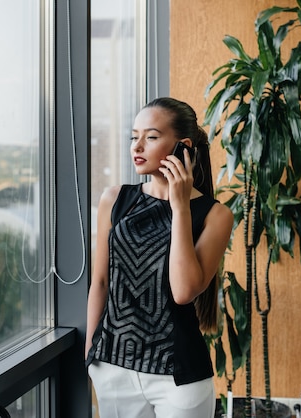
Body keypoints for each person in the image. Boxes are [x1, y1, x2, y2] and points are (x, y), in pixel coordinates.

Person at [85, 97, 234, 418]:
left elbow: (183, 291)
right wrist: (91, 355)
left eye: (151, 137)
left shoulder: (215, 215)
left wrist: (179, 206)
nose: (137, 146)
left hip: (178, 377)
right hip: (113, 368)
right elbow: (99, 282)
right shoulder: (114, 199)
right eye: (133, 137)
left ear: (183, 147)